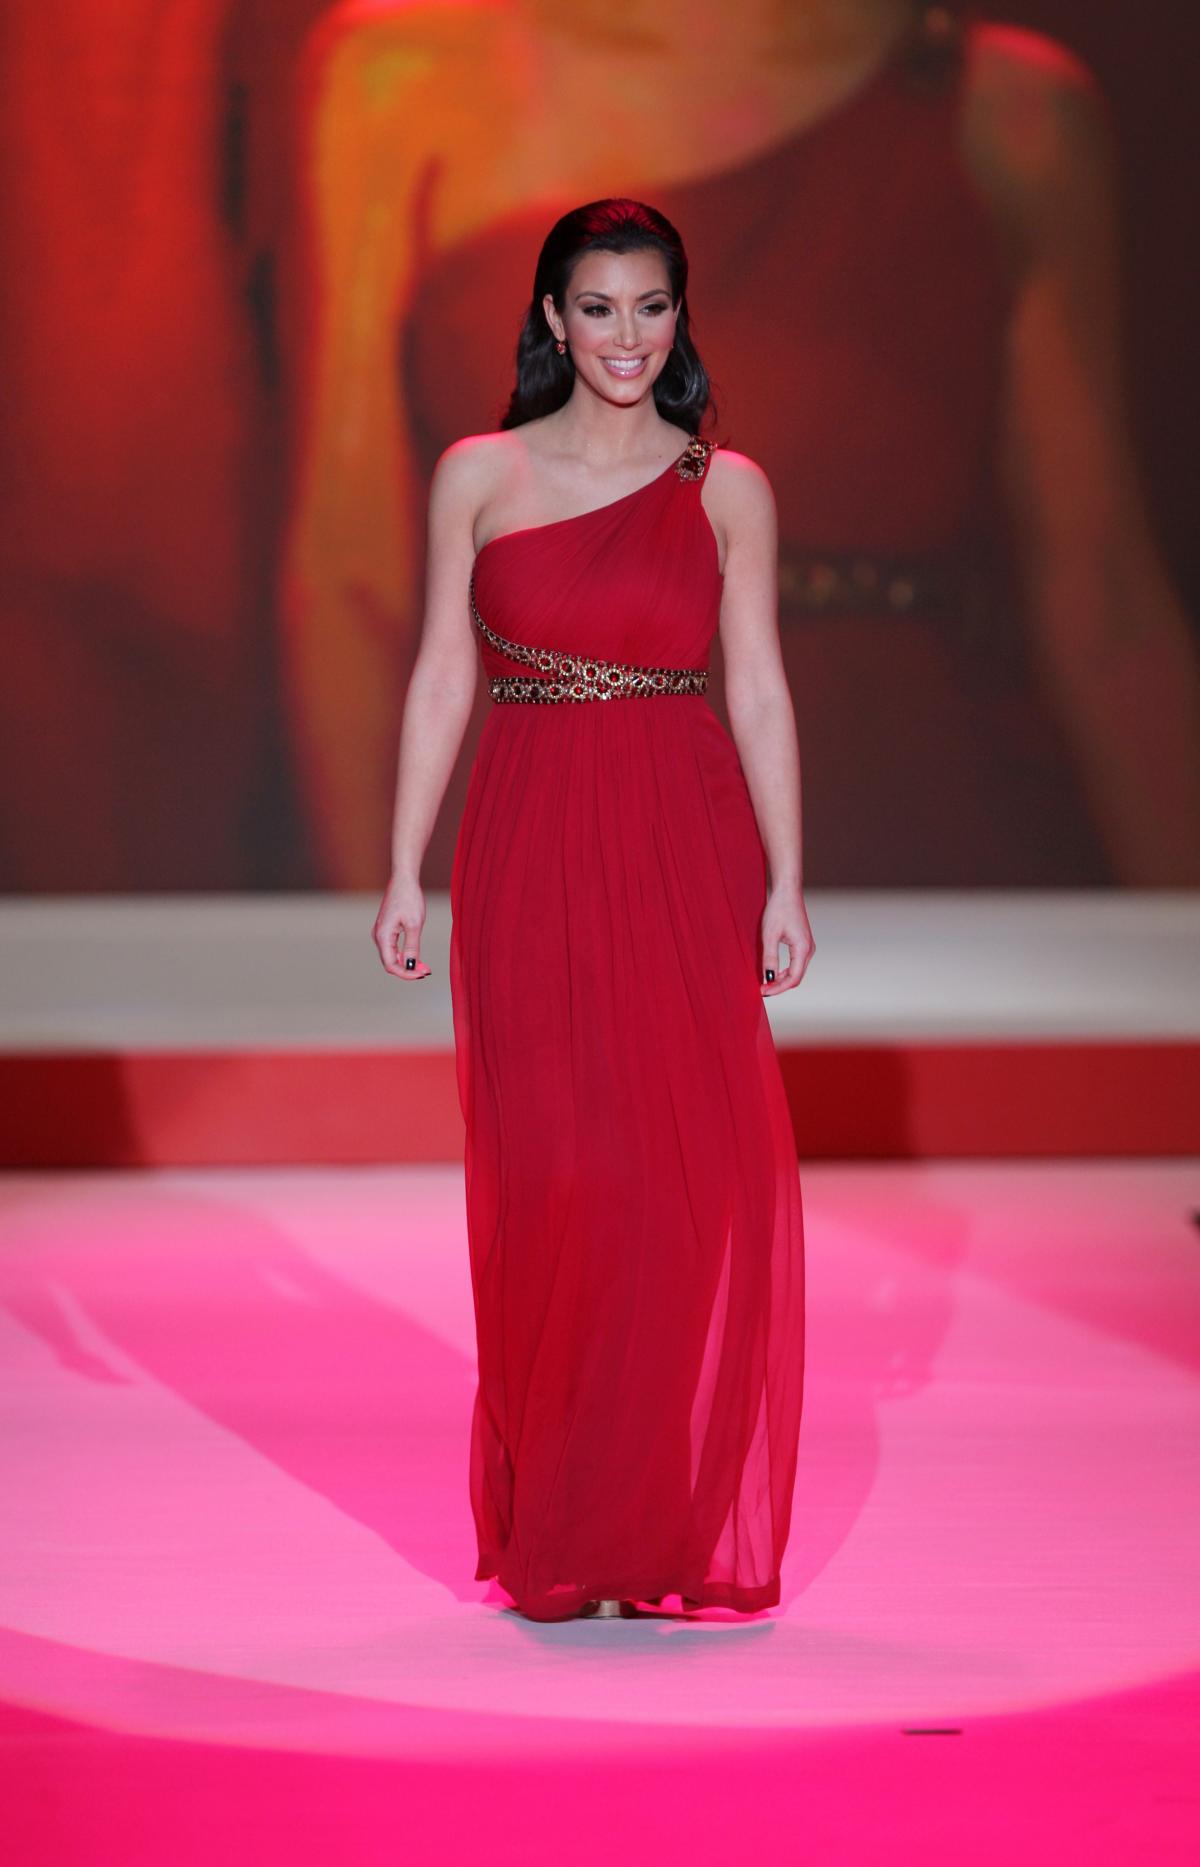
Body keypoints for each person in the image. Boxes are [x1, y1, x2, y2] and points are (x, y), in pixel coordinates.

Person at [288, 0, 1200, 889]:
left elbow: (1104, 603)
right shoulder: (405, 80)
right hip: (551, 834)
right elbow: (350, 573)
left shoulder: (1014, 120)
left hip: (901, 832)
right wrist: (366, 942)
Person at [373, 200, 812, 1622]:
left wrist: (788, 877)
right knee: (552, 1171)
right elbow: (443, 670)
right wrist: (403, 863)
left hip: (680, 836)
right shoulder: (480, 472)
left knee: (668, 1179)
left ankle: (637, 1522)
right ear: (554, 320)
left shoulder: (724, 487)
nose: (629, 336)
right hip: (528, 838)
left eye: (652, 306)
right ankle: (565, 1515)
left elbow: (757, 685)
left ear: (681, 316)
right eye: (600, 307)